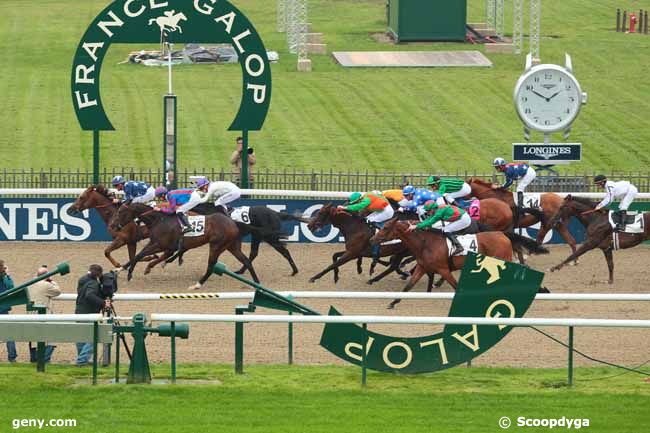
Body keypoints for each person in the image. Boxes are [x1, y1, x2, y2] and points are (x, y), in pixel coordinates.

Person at [340, 191, 394, 260]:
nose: (355, 204)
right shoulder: (366, 196)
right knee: (366, 219)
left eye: (355, 202)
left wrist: (346, 208)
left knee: (369, 221)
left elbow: (359, 206)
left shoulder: (366, 199)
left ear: (359, 200)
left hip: (386, 212)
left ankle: (380, 239)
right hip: (381, 210)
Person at [74, 265, 110, 366]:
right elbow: (89, 295)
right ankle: (82, 360)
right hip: (89, 313)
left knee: (81, 336)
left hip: (79, 311)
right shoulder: (93, 283)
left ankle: (82, 359)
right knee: (92, 338)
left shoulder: (82, 279)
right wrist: (103, 303)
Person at [27, 266, 61, 363]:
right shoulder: (46, 285)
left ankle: (34, 360)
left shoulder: (30, 283)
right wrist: (51, 281)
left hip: (31, 314)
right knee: (50, 338)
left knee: (33, 339)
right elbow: (57, 291)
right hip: (43, 314)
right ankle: (44, 360)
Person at [177, 178, 242, 214]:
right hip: (233, 190)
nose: (202, 189)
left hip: (234, 192)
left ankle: (227, 215)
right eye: (201, 188)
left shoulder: (211, 187)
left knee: (218, 203)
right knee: (218, 202)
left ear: (206, 185)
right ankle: (229, 210)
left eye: (202, 187)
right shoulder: (210, 186)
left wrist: (194, 200)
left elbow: (204, 200)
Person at [0, 260, 17, 363]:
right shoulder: (5, 278)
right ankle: (12, 357)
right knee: (9, 335)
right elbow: (11, 287)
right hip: (3, 310)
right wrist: (7, 274)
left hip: (3, 309)